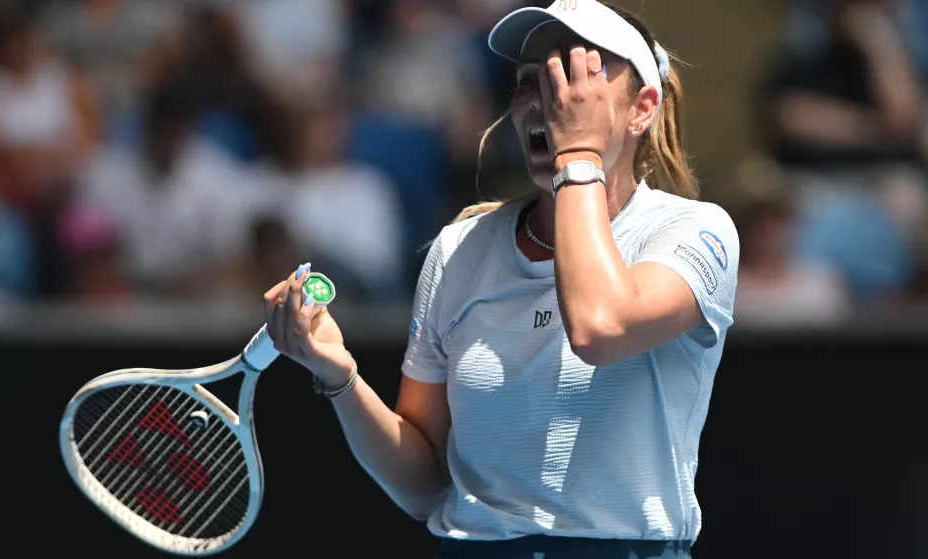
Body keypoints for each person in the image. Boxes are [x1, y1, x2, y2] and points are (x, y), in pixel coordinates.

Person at [263, 1, 739, 557]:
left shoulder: (695, 230)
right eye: (529, 81)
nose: (549, 100)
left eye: (575, 78)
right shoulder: (457, 250)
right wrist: (341, 377)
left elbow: (600, 327)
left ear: (642, 109)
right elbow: (424, 489)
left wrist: (576, 156)